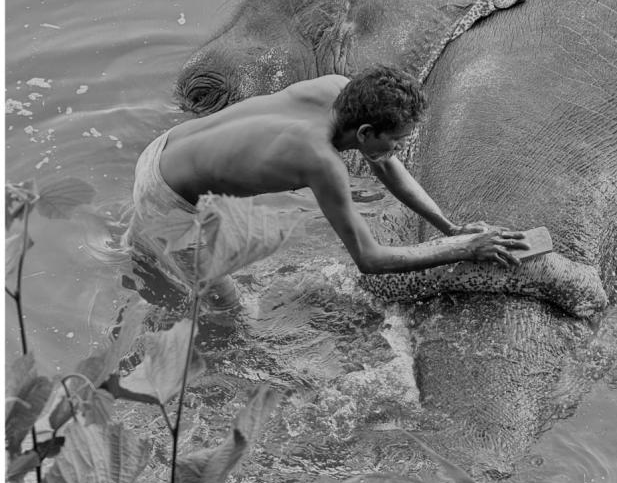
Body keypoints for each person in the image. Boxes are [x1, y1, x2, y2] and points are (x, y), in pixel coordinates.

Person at [123, 65, 527, 311]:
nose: (399, 149)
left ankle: (133, 258)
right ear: (365, 133)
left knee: (145, 252)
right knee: (226, 310)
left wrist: (450, 229)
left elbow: (387, 166)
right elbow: (370, 258)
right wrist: (463, 249)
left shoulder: (337, 89)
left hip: (162, 150)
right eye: (397, 140)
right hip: (167, 196)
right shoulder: (320, 160)